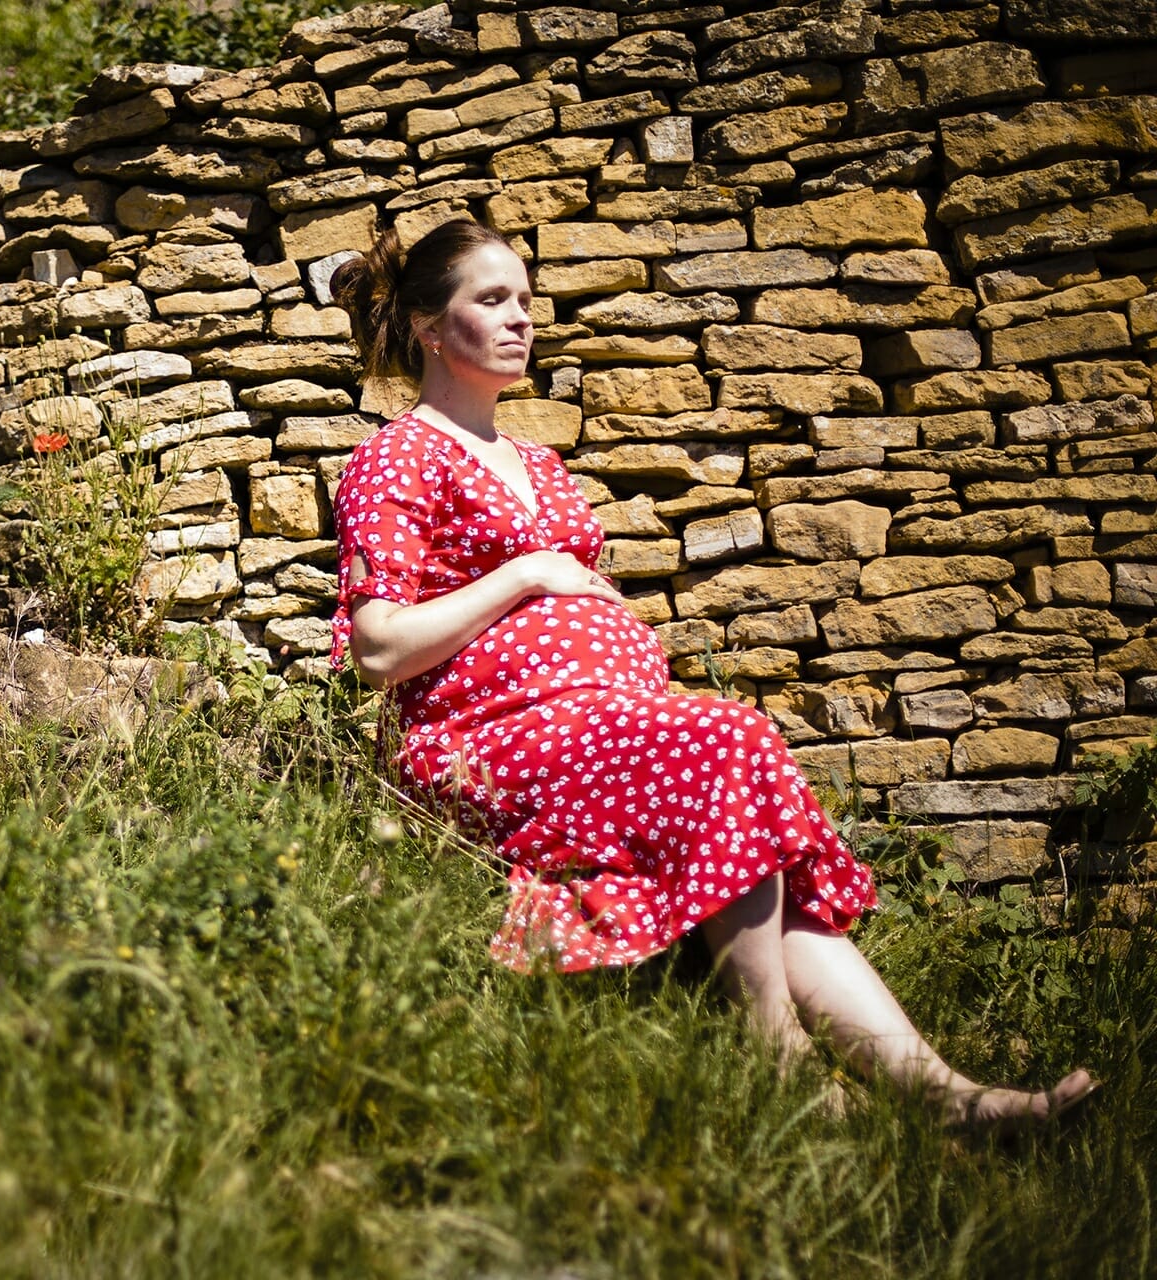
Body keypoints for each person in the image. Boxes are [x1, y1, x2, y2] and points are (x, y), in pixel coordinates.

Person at [326, 218, 1094, 1132]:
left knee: (748, 809)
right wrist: (527, 574)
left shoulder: (536, 461)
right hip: (483, 745)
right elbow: (377, 649)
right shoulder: (395, 456)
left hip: (603, 728)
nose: (522, 319)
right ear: (424, 324)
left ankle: (952, 1099)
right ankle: (779, 1064)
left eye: (527, 300)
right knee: (728, 735)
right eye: (491, 300)